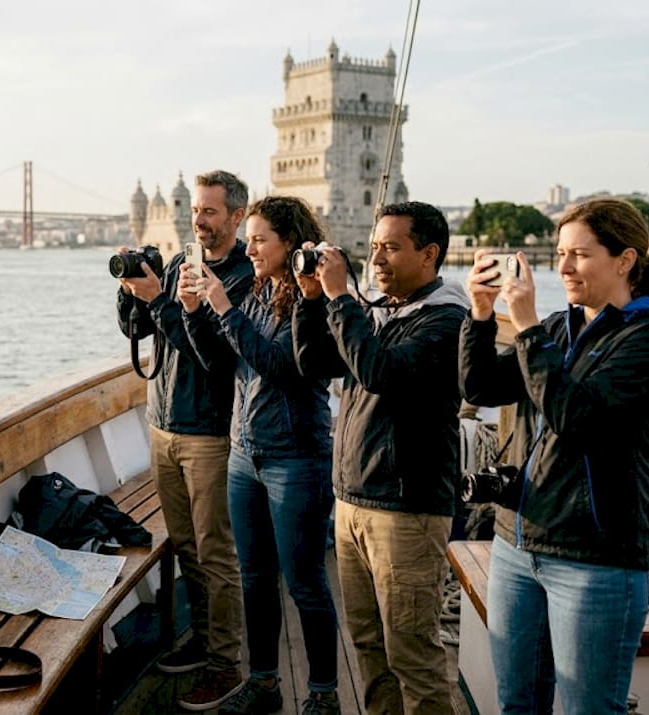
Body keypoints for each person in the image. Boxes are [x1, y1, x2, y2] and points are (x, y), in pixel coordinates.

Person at [458, 198, 649, 714]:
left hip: (594, 562)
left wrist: (529, 325)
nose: (562, 268)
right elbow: (480, 385)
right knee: (517, 704)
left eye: (579, 255)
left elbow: (575, 417)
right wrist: (481, 314)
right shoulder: (561, 327)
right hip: (518, 545)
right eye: (560, 254)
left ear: (624, 260)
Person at [292, 201, 469, 714]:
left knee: (411, 654)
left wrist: (340, 297)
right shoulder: (382, 311)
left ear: (430, 254)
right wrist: (311, 301)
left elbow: (379, 373)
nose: (378, 260)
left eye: (391, 247)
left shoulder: (444, 321)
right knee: (369, 645)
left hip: (407, 509)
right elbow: (315, 364)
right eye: (374, 248)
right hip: (354, 500)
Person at [182, 195, 341, 715]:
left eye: (258, 239)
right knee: (254, 578)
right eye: (247, 238)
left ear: (289, 243)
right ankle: (265, 682)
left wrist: (224, 310)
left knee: (305, 582)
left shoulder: (309, 301)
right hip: (245, 456)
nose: (248, 248)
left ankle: (323, 694)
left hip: (296, 458)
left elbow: (281, 365)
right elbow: (217, 360)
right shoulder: (256, 291)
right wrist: (192, 312)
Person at [115, 170, 254, 711]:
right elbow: (142, 331)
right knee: (187, 547)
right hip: (163, 424)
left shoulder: (242, 278)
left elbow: (213, 358)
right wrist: (134, 293)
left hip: (209, 434)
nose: (199, 220)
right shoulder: (179, 264)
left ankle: (226, 664)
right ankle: (202, 638)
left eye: (211, 212)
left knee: (217, 553)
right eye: (195, 210)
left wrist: (159, 302)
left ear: (237, 217)